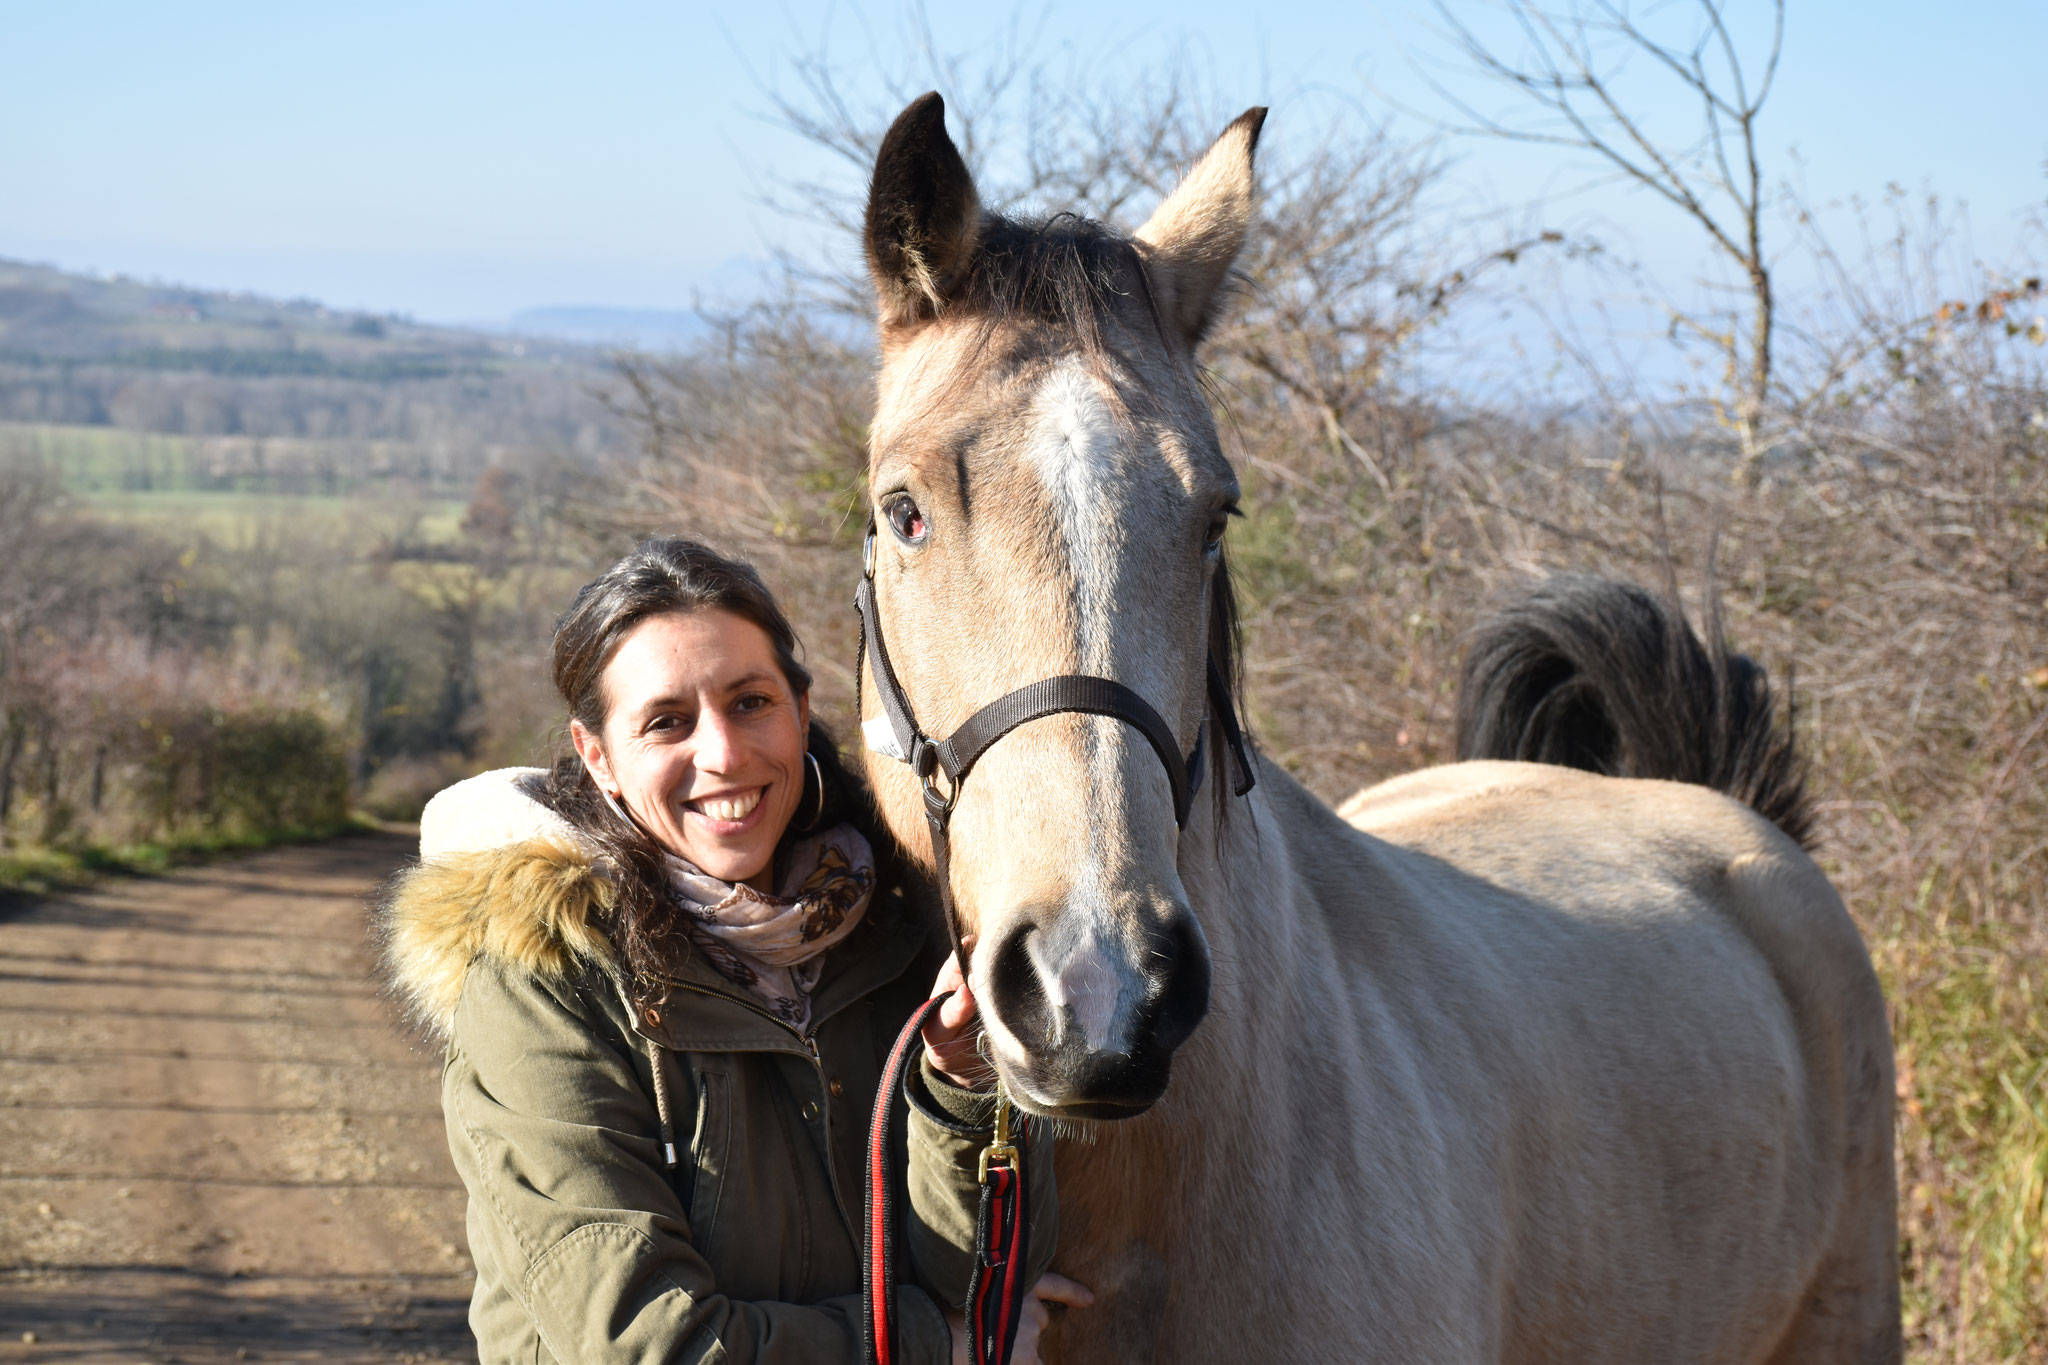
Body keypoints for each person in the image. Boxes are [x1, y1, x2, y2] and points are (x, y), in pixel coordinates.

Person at [377, 538, 1089, 1363]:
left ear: (799, 706)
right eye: (666, 722)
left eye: (750, 701)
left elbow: (970, 1272)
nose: (722, 753)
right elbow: (647, 1343)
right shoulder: (542, 976)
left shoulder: (897, 925)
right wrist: (939, 1345)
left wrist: (960, 1085)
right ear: (597, 757)